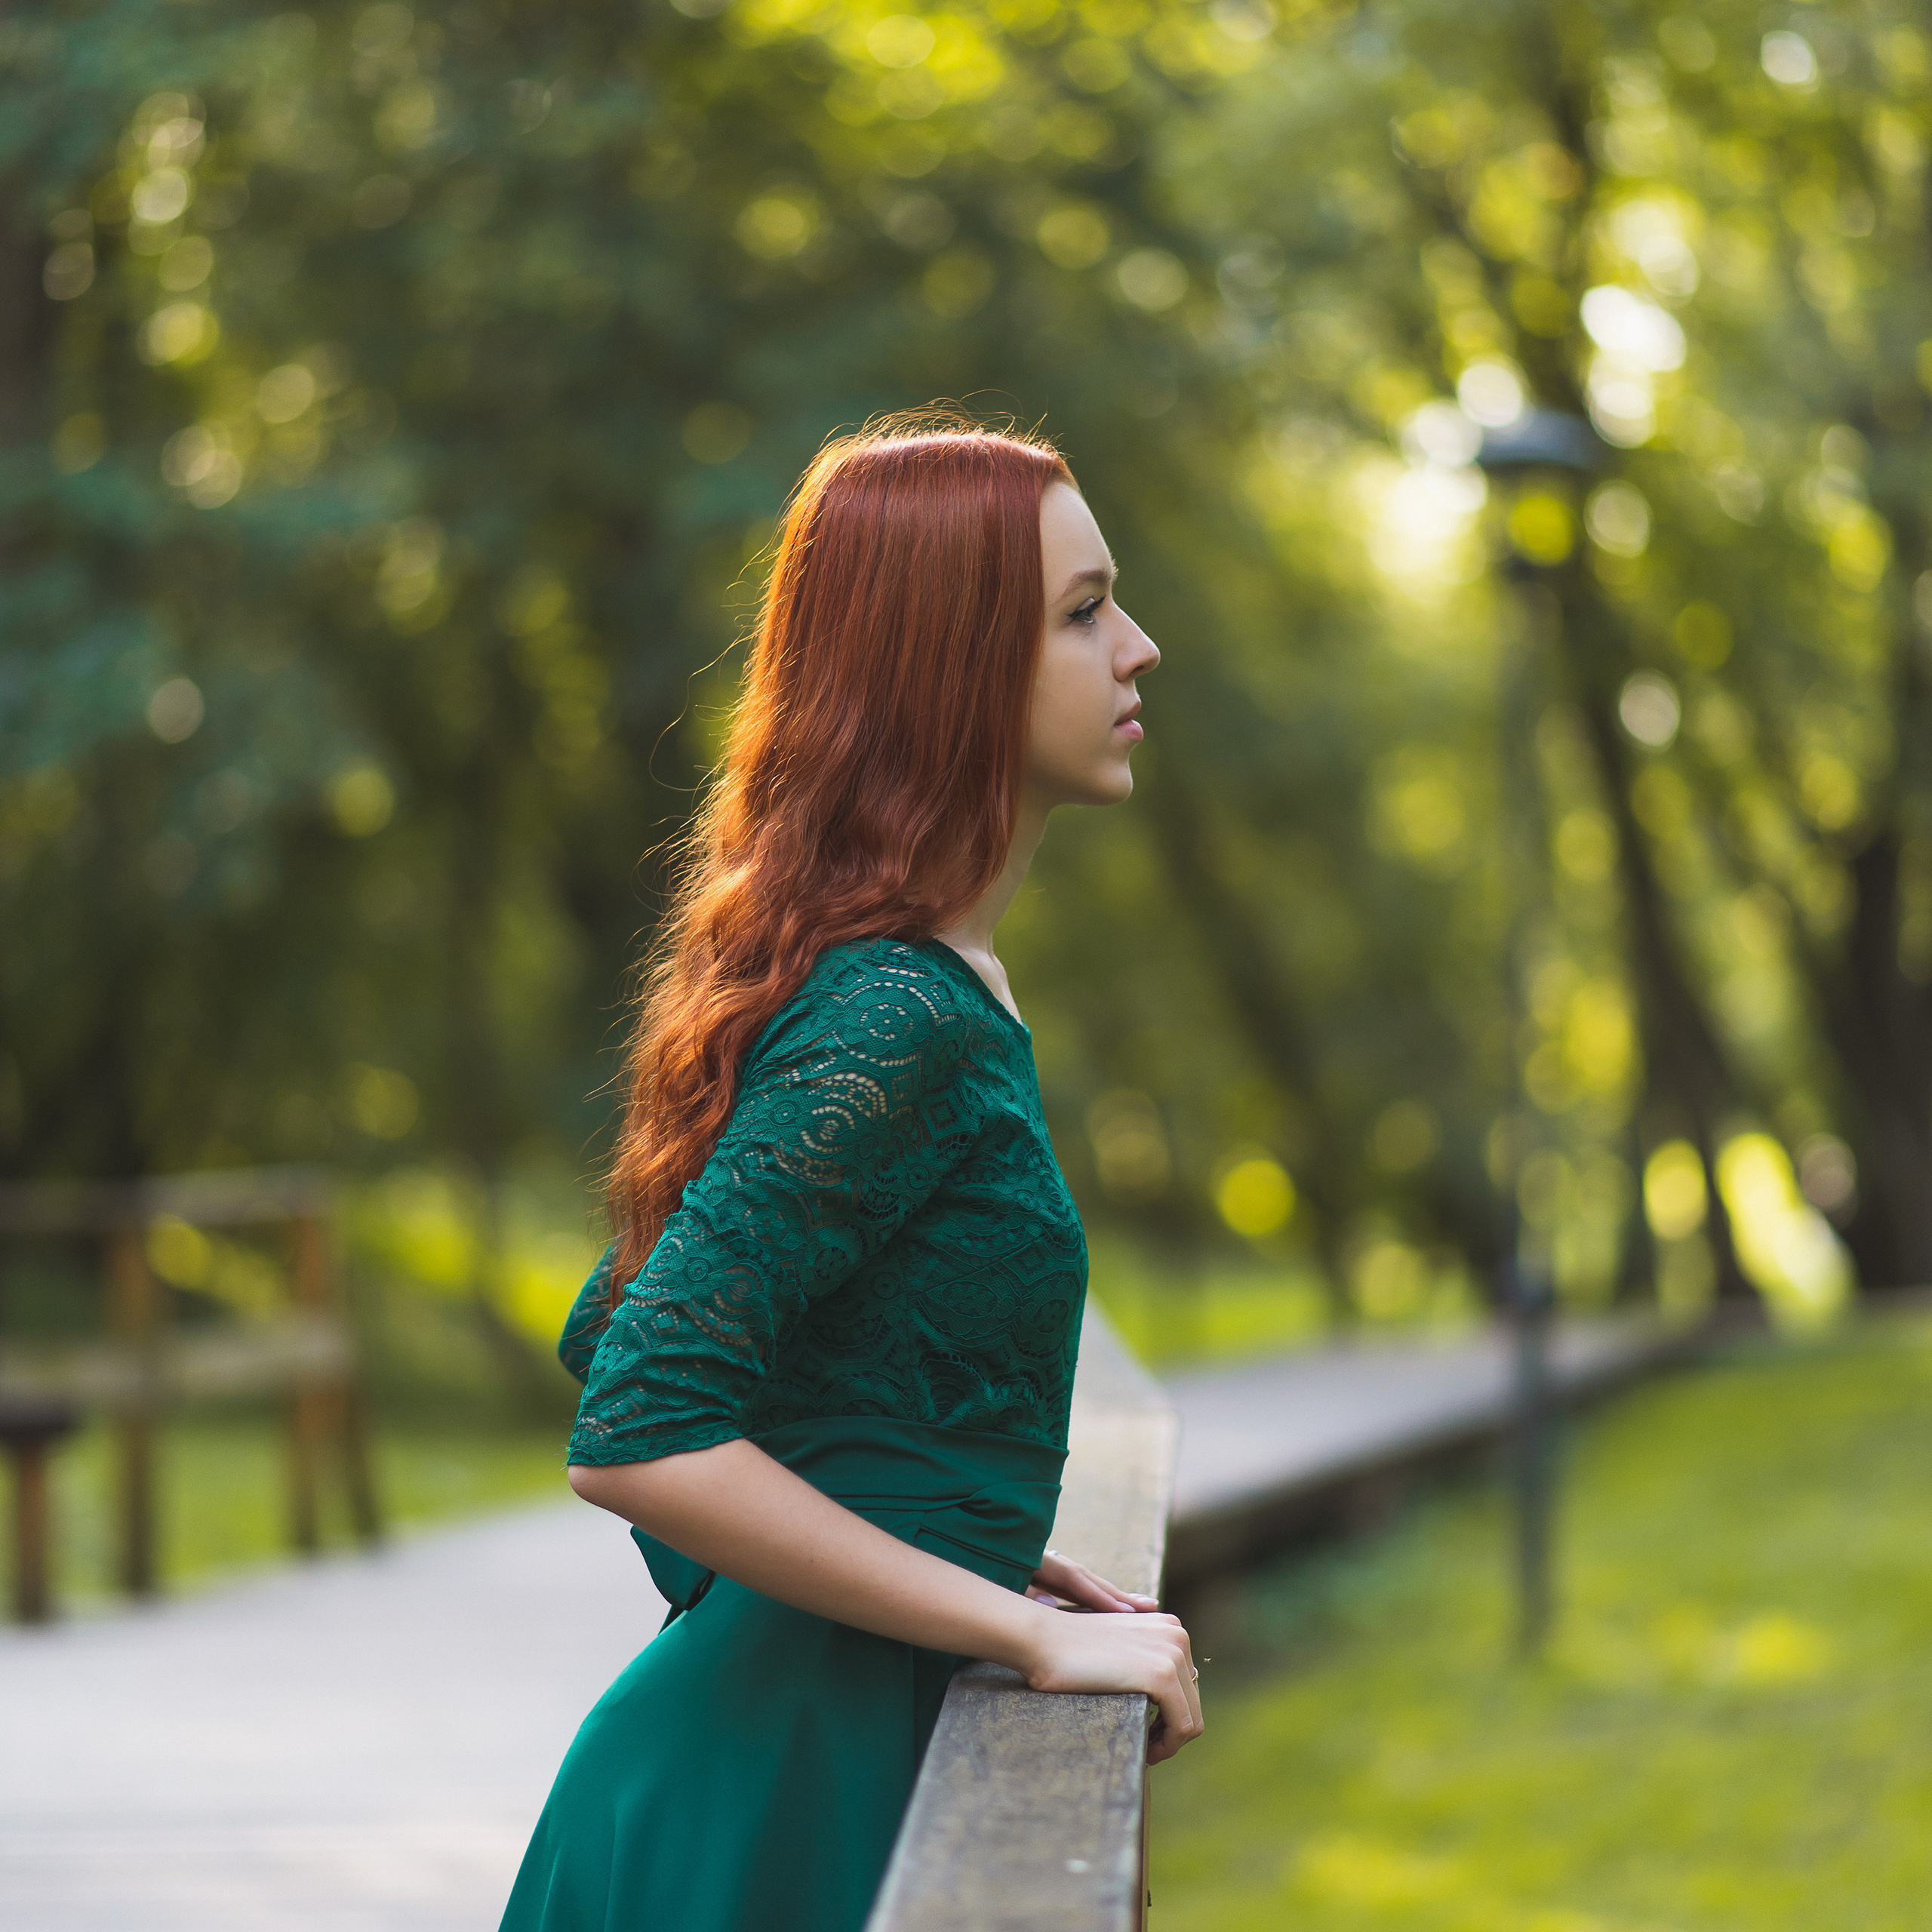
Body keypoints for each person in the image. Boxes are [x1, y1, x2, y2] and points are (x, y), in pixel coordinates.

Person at [499, 413, 1201, 1932]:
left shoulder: (924, 987)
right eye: (1082, 613)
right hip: (765, 1792)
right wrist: (1009, 1624)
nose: (1137, 649)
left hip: (806, 1752)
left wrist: (966, 1531)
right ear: (950, 667)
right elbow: (632, 1415)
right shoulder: (896, 1012)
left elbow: (613, 1317)